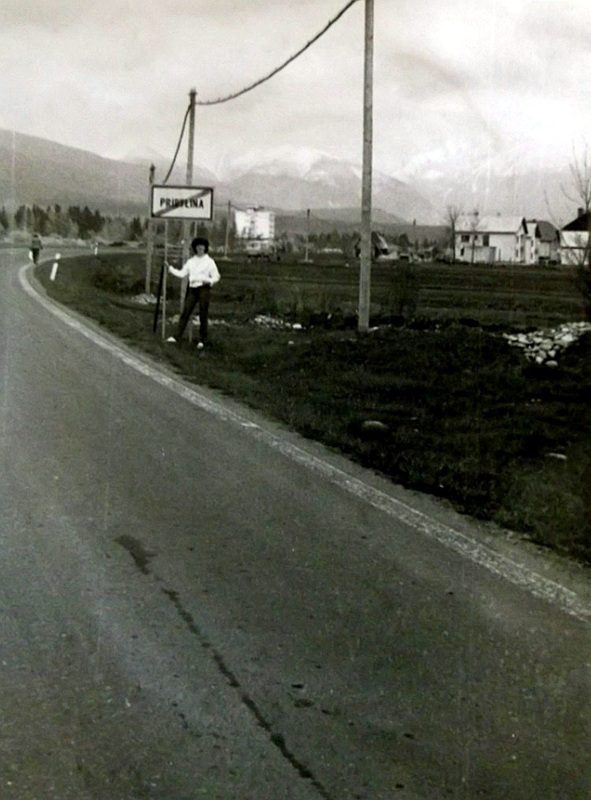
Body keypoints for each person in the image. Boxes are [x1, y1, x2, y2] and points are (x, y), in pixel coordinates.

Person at [166, 237, 220, 348]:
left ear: (205, 248)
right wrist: (170, 269)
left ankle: (203, 340)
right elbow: (182, 274)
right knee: (186, 312)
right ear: (195, 248)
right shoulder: (191, 261)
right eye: (198, 247)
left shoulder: (209, 262)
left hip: (204, 289)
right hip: (192, 289)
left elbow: (216, 276)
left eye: (202, 247)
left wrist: (209, 281)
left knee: (203, 314)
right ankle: (176, 336)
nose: (200, 249)